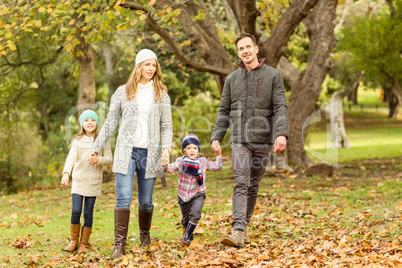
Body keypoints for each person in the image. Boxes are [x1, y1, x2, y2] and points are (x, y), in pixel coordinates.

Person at [89, 49, 173, 258]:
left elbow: (167, 126)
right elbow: (110, 122)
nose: (151, 69)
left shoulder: (161, 93)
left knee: (146, 201)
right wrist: (95, 147)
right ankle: (120, 245)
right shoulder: (122, 92)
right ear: (138, 66)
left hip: (150, 154)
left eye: (154, 65)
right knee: (123, 198)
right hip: (126, 153)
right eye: (147, 64)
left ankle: (145, 236)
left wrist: (167, 148)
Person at [210, 33, 289, 248]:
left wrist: (281, 133)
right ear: (238, 53)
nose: (245, 51)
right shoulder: (231, 79)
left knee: (253, 185)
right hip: (239, 139)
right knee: (241, 182)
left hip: (263, 140)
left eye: (248, 47)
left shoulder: (273, 76)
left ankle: (243, 227)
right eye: (240, 48)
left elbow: (280, 106)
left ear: (256, 49)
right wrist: (217, 137)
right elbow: (224, 110)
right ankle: (237, 230)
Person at [61, 109, 113, 253]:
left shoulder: (102, 140)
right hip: (78, 181)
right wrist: (66, 173)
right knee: (76, 210)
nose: (90, 123)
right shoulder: (78, 140)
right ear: (82, 124)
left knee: (88, 212)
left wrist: (98, 159)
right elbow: (70, 158)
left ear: (97, 122)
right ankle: (73, 241)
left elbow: (109, 159)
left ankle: (84, 243)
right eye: (86, 120)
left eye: (93, 120)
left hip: (93, 182)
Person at [162, 134, 223, 245]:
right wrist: (165, 165)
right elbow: (170, 168)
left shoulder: (203, 162)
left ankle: (186, 237)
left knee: (195, 214)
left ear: (198, 150)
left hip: (198, 193)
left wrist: (218, 155)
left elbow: (217, 167)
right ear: (184, 151)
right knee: (186, 219)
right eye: (189, 148)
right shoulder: (180, 162)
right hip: (183, 195)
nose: (192, 151)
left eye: (195, 148)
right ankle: (189, 233)